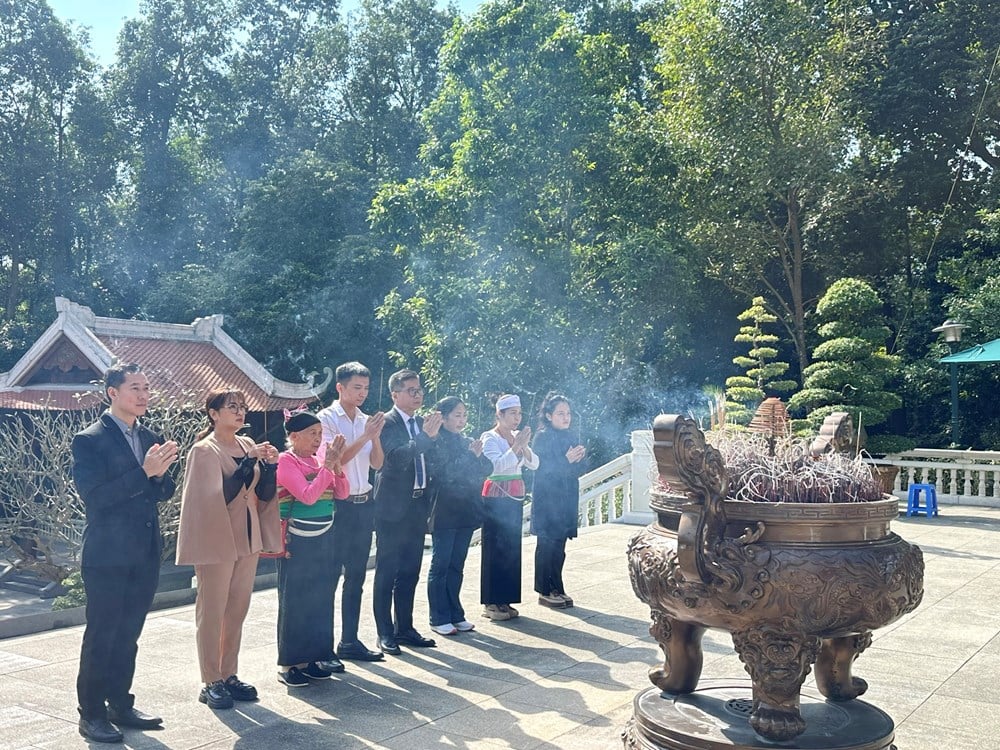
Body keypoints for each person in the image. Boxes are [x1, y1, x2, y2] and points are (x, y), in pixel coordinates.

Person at [72, 363, 179, 744]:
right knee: (103, 633)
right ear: (112, 392)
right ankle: (92, 713)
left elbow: (162, 493)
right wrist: (144, 472)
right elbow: (95, 498)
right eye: (135, 387)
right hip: (106, 553)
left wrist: (161, 472)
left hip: (144, 550)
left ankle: (120, 702)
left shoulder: (150, 435)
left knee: (129, 632)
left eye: (147, 387)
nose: (144, 394)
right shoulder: (90, 439)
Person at [175, 390, 280, 710]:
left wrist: (270, 466)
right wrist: (249, 463)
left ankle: (229, 673)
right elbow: (215, 496)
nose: (239, 412)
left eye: (242, 407)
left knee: (237, 609)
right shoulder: (204, 450)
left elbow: (260, 490)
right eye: (232, 407)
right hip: (217, 539)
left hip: (247, 539)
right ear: (213, 413)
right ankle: (211, 679)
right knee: (212, 611)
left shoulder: (248, 445)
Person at [274, 410, 350, 687]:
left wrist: (336, 467)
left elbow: (342, 492)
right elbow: (307, 497)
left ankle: (313, 657)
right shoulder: (286, 461)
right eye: (311, 434)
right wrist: (327, 468)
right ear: (294, 436)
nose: (318, 439)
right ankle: (289, 664)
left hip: (324, 538)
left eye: (320, 434)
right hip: (297, 540)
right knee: (295, 601)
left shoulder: (321, 461)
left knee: (319, 599)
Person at [317, 362, 386, 662]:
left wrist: (374, 435)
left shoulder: (366, 420)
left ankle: (350, 640)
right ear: (340, 388)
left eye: (366, 388)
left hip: (364, 503)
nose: (362, 393)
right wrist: (364, 436)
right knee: (331, 575)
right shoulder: (327, 419)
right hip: (338, 505)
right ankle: (324, 645)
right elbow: (335, 461)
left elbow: (377, 464)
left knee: (357, 576)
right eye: (356, 387)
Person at [371, 369, 440, 654]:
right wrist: (425, 438)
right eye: (411, 390)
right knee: (387, 570)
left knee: (411, 569)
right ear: (395, 394)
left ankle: (405, 627)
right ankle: (384, 632)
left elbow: (431, 460)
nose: (418, 395)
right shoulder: (386, 423)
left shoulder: (423, 423)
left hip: (417, 504)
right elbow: (395, 459)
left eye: (419, 389)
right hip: (392, 507)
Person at [426, 397, 493, 635]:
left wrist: (476, 456)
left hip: (465, 510)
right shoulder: (436, 441)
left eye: (464, 415)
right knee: (441, 565)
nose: (462, 420)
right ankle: (438, 616)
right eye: (457, 415)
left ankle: (456, 613)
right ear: (442, 417)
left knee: (457, 565)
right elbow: (446, 473)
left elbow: (486, 469)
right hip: (443, 511)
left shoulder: (466, 442)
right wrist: (470, 458)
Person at [479, 394, 538, 622]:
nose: (517, 418)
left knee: (511, 548)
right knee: (495, 547)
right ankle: (491, 601)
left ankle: (506, 599)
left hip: (514, 495)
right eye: (512, 413)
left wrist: (523, 448)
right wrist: (516, 447)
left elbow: (534, 463)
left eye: (519, 413)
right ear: (499, 415)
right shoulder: (490, 438)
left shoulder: (516, 437)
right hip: (496, 496)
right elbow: (496, 465)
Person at [530, 393, 587, 608]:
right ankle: (545, 590)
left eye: (568, 413)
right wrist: (566, 460)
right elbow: (544, 469)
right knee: (547, 545)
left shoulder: (571, 436)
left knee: (560, 546)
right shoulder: (542, 437)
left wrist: (579, 459)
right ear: (548, 415)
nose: (566, 417)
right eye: (560, 413)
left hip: (566, 498)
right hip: (548, 499)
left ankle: (557, 586)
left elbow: (579, 468)